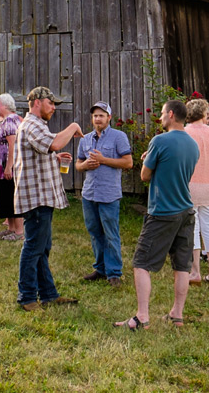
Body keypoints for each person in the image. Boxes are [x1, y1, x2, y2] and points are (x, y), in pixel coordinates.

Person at [114, 99, 199, 330]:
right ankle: (177, 315)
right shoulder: (193, 144)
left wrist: (148, 162)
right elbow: (176, 170)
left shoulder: (159, 141)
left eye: (162, 113)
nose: (160, 117)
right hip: (186, 211)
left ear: (171, 114)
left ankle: (142, 317)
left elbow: (144, 176)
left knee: (141, 262)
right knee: (182, 266)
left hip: (163, 211)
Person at [13, 86, 82, 312]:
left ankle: (49, 294)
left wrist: (55, 158)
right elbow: (53, 143)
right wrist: (72, 127)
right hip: (37, 198)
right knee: (34, 247)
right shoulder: (32, 124)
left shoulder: (37, 126)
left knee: (42, 247)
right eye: (51, 103)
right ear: (37, 102)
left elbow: (45, 151)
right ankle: (26, 297)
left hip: (41, 196)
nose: (53, 108)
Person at [75, 100, 132, 287]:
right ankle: (100, 269)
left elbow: (128, 163)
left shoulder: (119, 137)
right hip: (89, 194)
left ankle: (114, 272)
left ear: (109, 117)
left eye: (101, 115)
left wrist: (103, 160)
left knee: (111, 233)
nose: (98, 119)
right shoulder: (85, 139)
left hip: (109, 194)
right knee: (94, 232)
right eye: (95, 116)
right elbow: (78, 164)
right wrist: (84, 166)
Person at [183, 98, 209, 286]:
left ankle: (195, 272)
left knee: (192, 228)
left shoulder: (184, 133)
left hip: (189, 187)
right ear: (204, 113)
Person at [0, 93, 24, 241]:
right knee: (5, 198)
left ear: (6, 105)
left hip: (6, 169)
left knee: (11, 198)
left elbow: (12, 145)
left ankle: (19, 232)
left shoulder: (10, 121)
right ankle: (11, 228)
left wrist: (9, 167)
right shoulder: (6, 120)